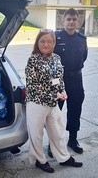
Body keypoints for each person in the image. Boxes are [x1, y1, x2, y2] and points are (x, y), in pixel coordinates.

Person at [25, 29, 83, 173]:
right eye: (42, 41)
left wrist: (62, 90)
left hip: (52, 103)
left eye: (49, 41)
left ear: (53, 43)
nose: (45, 44)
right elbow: (32, 85)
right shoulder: (33, 59)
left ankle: (64, 158)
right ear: (37, 43)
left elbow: (58, 79)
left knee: (58, 131)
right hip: (37, 103)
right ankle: (39, 160)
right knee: (36, 135)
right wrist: (54, 96)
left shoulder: (56, 58)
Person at [48, 8, 88, 157]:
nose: (71, 22)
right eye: (68, 19)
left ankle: (73, 140)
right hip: (58, 80)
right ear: (63, 21)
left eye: (74, 19)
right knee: (54, 112)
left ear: (78, 21)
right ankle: (53, 144)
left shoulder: (82, 38)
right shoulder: (55, 37)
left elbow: (84, 57)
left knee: (75, 109)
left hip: (76, 78)